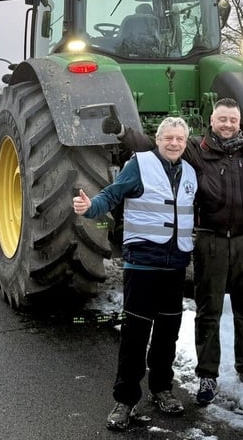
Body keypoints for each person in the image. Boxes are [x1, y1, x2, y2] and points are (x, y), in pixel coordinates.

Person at [103, 98, 243, 406]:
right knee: (209, 309)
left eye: (233, 119)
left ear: (240, 121)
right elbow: (159, 145)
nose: (228, 124)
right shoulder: (196, 149)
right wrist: (124, 132)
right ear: (212, 121)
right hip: (210, 239)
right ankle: (207, 373)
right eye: (222, 119)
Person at [72, 116, 198, 432]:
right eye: (168, 138)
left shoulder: (190, 173)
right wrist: (90, 208)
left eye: (179, 139)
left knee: (168, 332)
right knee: (135, 336)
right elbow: (111, 195)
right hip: (142, 264)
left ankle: (161, 389)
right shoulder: (139, 165)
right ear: (158, 139)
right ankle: (125, 399)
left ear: (186, 142)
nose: (174, 143)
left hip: (175, 265)